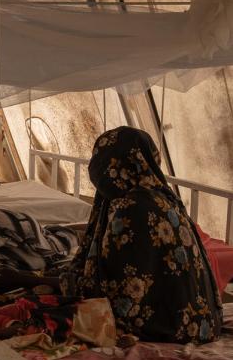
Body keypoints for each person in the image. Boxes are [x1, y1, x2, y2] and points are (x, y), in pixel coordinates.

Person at [64, 126, 221, 344]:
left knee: (52, 311)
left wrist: (67, 283)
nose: (94, 168)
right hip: (202, 320)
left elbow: (115, 290)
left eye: (99, 160)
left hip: (169, 327)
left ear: (115, 164)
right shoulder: (164, 195)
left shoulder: (133, 207)